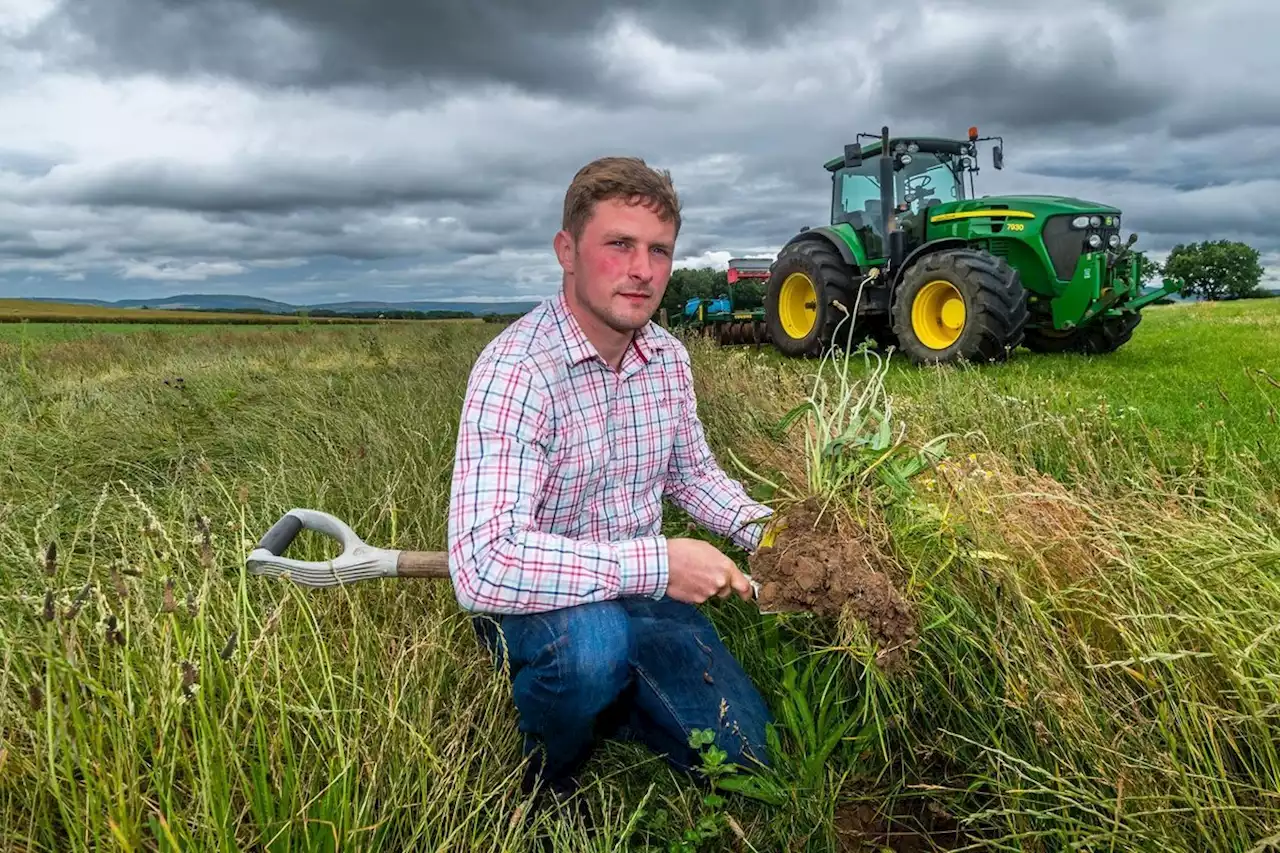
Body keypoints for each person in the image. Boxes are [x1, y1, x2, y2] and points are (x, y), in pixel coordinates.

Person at [446, 155, 775, 801]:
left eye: (660, 250)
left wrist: (765, 530)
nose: (643, 269)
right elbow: (484, 563)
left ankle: (613, 696)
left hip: (644, 594)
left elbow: (692, 474)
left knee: (747, 759)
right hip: (548, 601)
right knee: (591, 647)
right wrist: (659, 564)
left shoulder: (667, 358)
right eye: (619, 244)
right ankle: (550, 776)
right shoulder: (517, 371)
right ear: (567, 250)